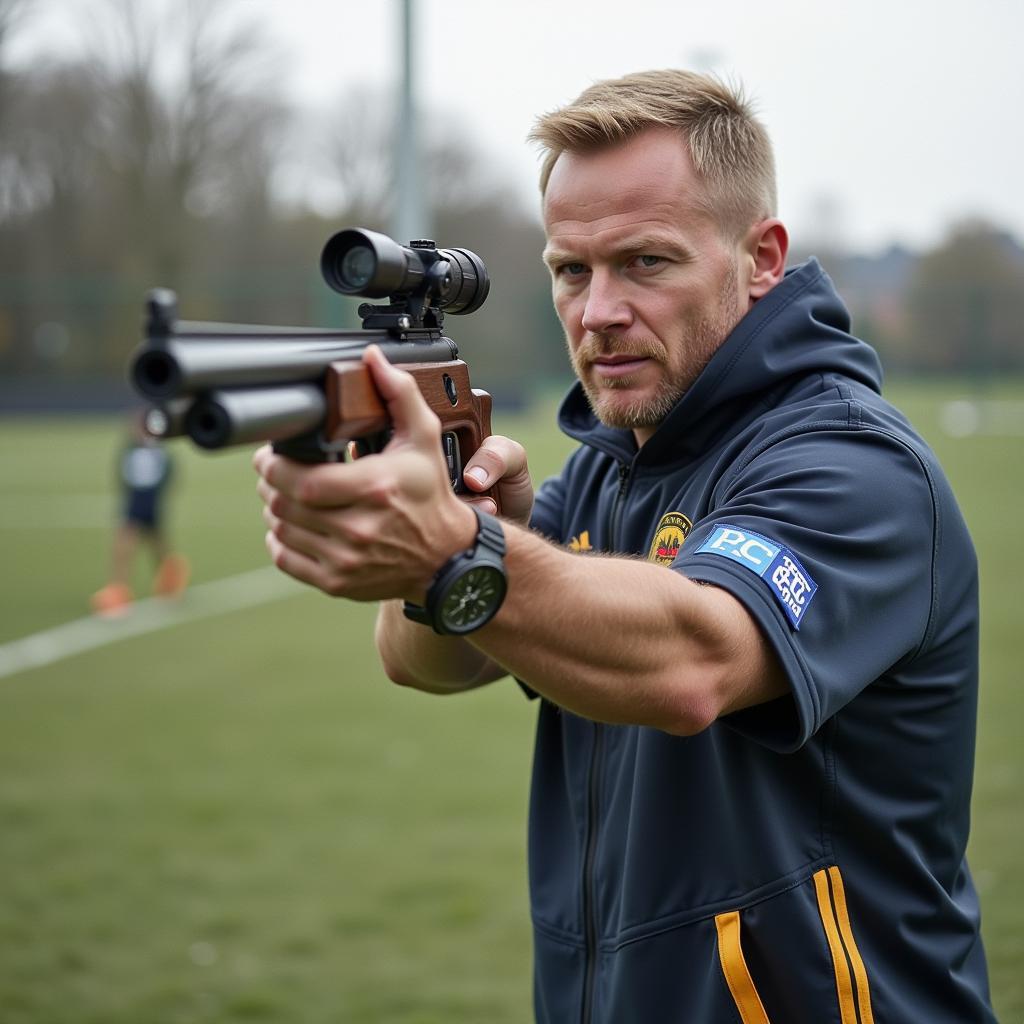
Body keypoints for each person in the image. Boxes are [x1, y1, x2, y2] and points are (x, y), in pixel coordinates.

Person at [253, 70, 995, 1023]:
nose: (598, 310)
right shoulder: (613, 467)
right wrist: (463, 539)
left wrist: (457, 543)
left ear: (760, 257)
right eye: (572, 270)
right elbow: (425, 664)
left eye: (645, 262)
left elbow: (694, 659)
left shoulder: (852, 460)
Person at [91, 413, 189, 616]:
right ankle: (120, 587)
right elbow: (123, 473)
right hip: (134, 500)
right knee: (129, 543)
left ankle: (167, 576)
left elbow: (167, 474)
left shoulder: (158, 450)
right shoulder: (130, 448)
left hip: (150, 500)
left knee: (151, 544)